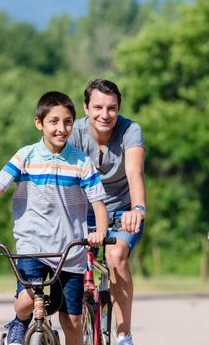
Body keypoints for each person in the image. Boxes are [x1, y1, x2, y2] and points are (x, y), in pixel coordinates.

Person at [0, 91, 109, 345]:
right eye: (53, 121)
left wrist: (99, 231)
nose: (61, 128)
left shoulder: (81, 162)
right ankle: (19, 323)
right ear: (39, 123)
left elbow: (98, 204)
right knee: (26, 301)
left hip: (69, 250)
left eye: (67, 122)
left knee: (72, 322)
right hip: (32, 246)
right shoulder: (25, 157)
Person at [68, 78, 146, 345]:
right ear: (86, 107)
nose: (105, 114)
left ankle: (124, 334)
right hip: (81, 213)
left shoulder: (130, 130)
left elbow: (134, 171)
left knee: (115, 255)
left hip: (121, 214)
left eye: (111, 108)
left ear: (119, 108)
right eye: (98, 107)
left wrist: (137, 208)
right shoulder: (74, 132)